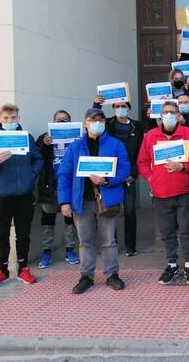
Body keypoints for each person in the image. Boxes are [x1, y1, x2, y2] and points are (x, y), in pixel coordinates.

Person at [58, 108, 131, 294]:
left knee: (109, 240)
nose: (97, 123)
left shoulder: (115, 144)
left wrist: (107, 180)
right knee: (85, 241)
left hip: (107, 199)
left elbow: (124, 169)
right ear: (85, 123)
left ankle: (112, 274)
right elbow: (64, 175)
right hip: (81, 201)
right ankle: (86, 276)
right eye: (92, 120)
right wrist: (64, 201)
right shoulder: (75, 147)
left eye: (100, 120)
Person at [0, 104, 44, 289]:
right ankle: (2, 271)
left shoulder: (26, 138)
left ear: (18, 118)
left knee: (23, 234)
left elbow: (38, 160)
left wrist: (31, 174)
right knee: (1, 235)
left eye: (13, 118)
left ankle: (23, 268)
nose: (9, 121)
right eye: (6, 118)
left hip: (24, 195)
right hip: (1, 196)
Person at [137, 101, 189, 286]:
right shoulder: (151, 136)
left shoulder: (187, 133)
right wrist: (151, 178)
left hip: (184, 191)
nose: (168, 115)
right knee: (167, 231)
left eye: (172, 112)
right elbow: (142, 162)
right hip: (160, 193)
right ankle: (172, 264)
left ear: (178, 115)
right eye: (165, 112)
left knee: (186, 229)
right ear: (160, 115)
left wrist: (182, 166)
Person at [91, 99, 144, 257]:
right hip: (110, 175)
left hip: (128, 175)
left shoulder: (137, 126)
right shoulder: (107, 124)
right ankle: (110, 244)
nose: (120, 108)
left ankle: (130, 246)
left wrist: (134, 174)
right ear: (113, 108)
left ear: (129, 108)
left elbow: (141, 152)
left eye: (123, 106)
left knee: (130, 211)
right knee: (110, 210)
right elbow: (94, 122)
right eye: (117, 106)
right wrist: (96, 105)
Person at [36, 110, 80, 269]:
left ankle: (70, 250)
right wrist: (43, 144)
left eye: (65, 119)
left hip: (70, 184)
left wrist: (80, 142)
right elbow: (34, 156)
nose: (62, 122)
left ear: (71, 121)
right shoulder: (44, 138)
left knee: (70, 221)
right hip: (50, 185)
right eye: (58, 119)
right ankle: (46, 252)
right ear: (53, 121)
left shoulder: (78, 138)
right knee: (48, 221)